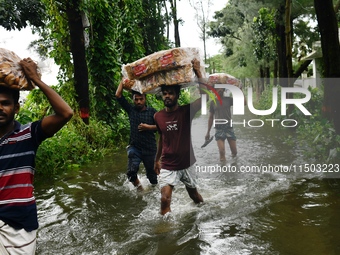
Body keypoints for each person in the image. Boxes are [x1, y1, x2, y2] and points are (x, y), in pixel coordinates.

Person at [0, 58, 73, 254]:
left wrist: (36, 80)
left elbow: (65, 113)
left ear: (16, 108)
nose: (0, 108)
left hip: (20, 225)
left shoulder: (28, 135)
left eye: (5, 103)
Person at [153, 59, 204, 216]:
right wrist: (156, 159)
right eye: (165, 93)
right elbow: (162, 138)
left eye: (171, 93)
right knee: (164, 199)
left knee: (195, 196)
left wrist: (198, 72)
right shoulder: (158, 116)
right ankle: (166, 233)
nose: (167, 96)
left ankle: (204, 213)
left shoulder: (186, 111)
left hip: (187, 163)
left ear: (177, 95)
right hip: (168, 164)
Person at [115, 79, 158, 191]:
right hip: (135, 148)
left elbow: (161, 127)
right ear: (133, 100)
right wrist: (122, 81)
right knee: (131, 173)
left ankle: (154, 192)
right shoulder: (131, 110)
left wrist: (148, 127)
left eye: (141, 99)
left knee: (153, 177)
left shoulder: (152, 112)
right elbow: (118, 95)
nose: (139, 102)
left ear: (145, 99)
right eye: (136, 99)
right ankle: (141, 190)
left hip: (150, 149)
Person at [205, 88, 245, 161]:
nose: (219, 90)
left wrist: (241, 91)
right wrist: (208, 132)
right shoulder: (212, 102)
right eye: (217, 89)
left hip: (229, 127)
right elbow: (211, 117)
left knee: (234, 152)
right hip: (218, 128)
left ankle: (234, 167)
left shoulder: (229, 99)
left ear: (224, 90)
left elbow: (244, 103)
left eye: (221, 88)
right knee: (221, 151)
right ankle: (223, 170)